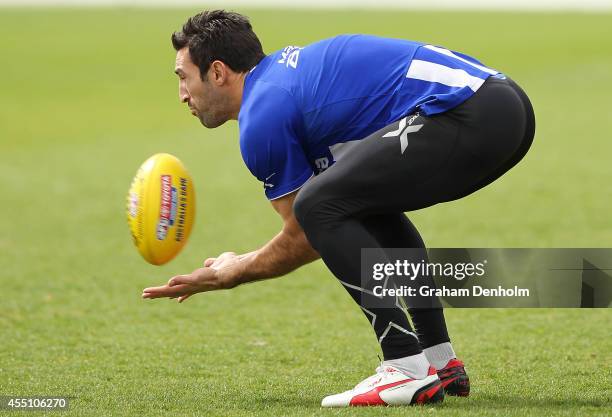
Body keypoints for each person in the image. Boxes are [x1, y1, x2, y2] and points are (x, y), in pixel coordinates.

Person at [142, 9, 535, 407]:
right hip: (502, 104)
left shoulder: (262, 115)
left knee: (320, 205)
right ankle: (439, 361)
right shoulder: (284, 81)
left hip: (469, 113)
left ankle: (404, 365)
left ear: (218, 71)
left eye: (183, 77)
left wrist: (232, 271)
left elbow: (305, 235)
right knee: (358, 204)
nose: (182, 95)